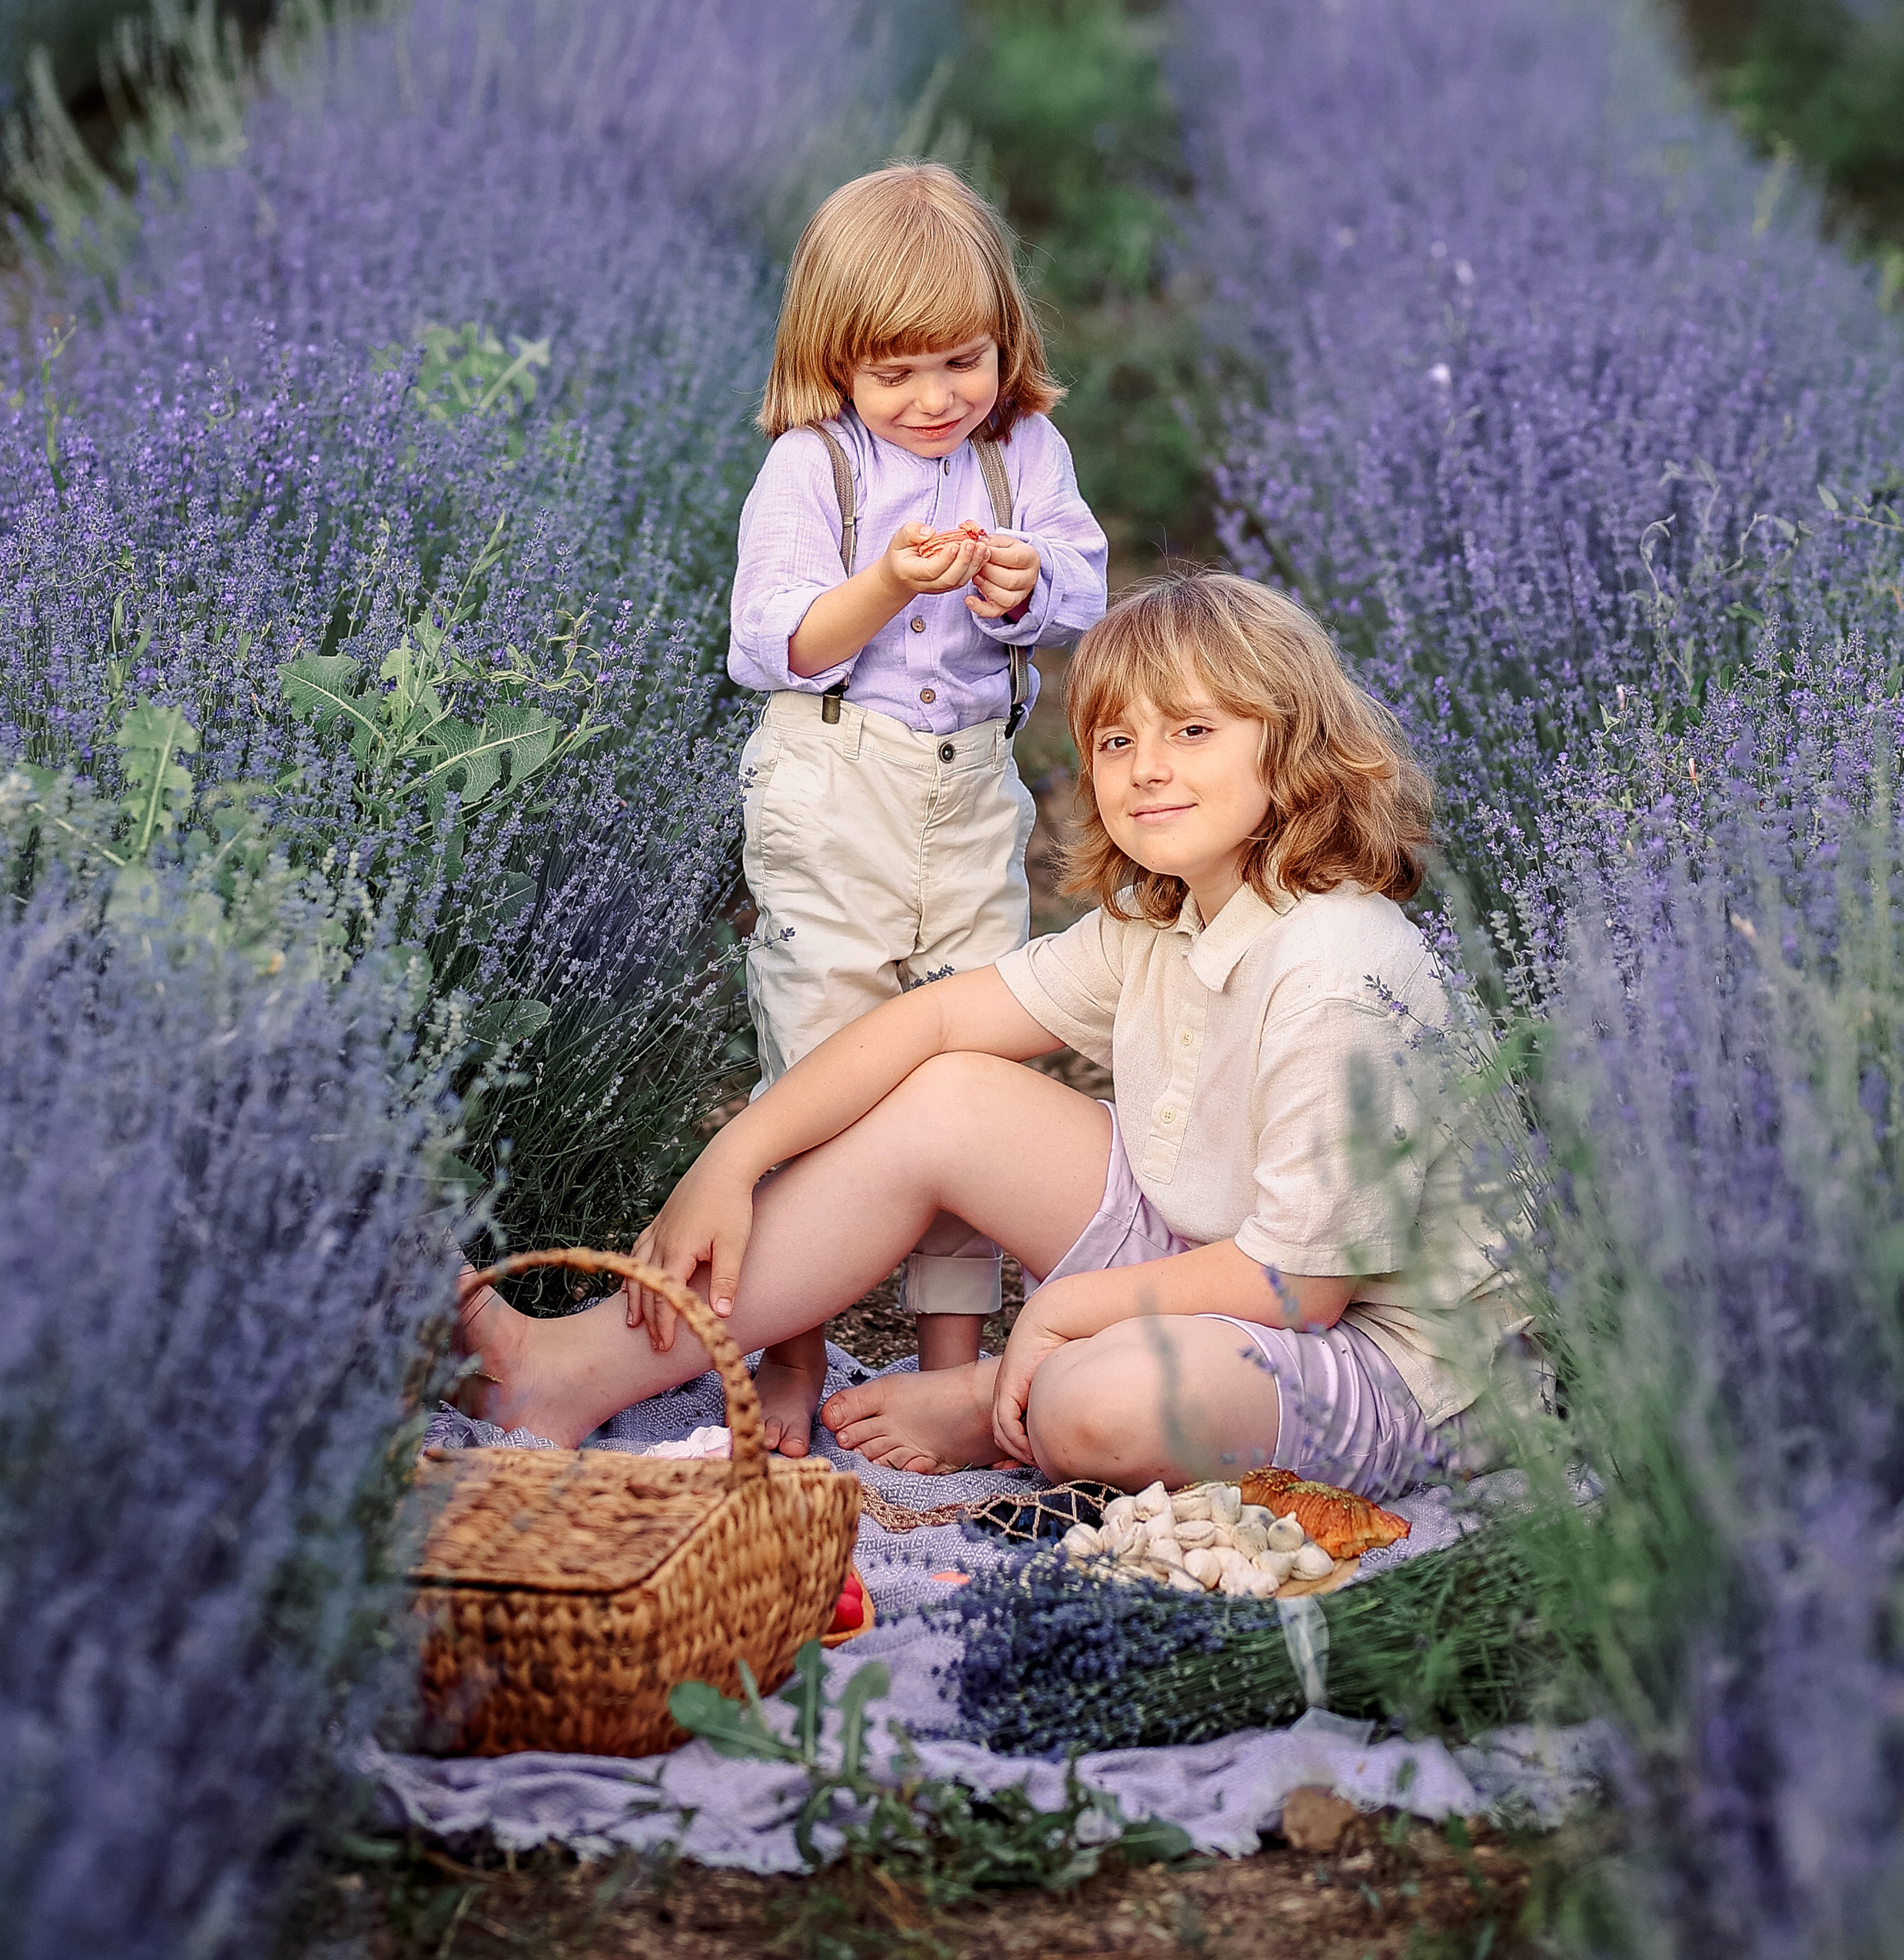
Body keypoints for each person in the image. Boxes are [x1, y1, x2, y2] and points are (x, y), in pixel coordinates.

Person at [459, 573, 1540, 1493]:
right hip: (1219, 1258)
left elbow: (1301, 1291)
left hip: (1389, 1362)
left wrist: (1066, 1312)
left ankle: (995, 1402)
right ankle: (572, 1369)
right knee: (948, 1093)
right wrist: (733, 1156)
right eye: (1117, 740)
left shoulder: (1339, 974)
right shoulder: (1164, 916)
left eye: (1194, 731)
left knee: (1097, 1406)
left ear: (1295, 750)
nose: (1147, 767)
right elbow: (933, 1019)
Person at [708, 161, 1106, 1457]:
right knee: (824, 1045)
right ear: (835, 364)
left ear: (1005, 343)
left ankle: (952, 1351)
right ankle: (790, 1343)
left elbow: (1078, 590)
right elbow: (778, 644)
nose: (937, 399)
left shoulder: (1022, 450)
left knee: (964, 1053)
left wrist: (1015, 588)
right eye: (898, 374)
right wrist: (885, 584)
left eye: (961, 363)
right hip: (837, 785)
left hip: (969, 785)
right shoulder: (811, 470)